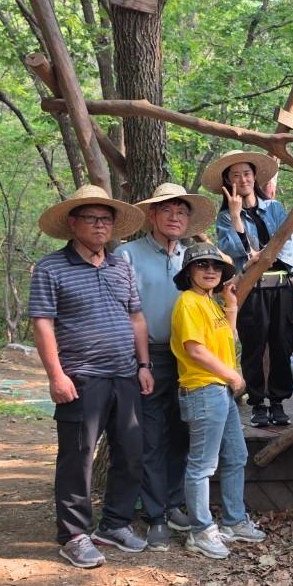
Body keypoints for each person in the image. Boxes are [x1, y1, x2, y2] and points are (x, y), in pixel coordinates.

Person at [28, 185, 152, 568]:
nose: (100, 225)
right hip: (81, 377)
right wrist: (56, 375)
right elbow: (42, 323)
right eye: (92, 218)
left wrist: (144, 365)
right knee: (78, 457)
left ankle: (114, 523)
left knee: (131, 453)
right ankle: (74, 535)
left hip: (125, 375)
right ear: (73, 223)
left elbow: (136, 318)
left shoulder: (120, 267)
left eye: (106, 219)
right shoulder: (51, 268)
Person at [113, 182, 216, 551]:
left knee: (183, 434)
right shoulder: (127, 255)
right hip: (150, 356)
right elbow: (122, 311)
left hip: (191, 359)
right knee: (152, 437)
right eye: (167, 210)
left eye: (182, 212)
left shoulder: (195, 259)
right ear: (152, 215)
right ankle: (155, 515)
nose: (175, 217)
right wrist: (139, 361)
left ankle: (173, 504)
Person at [170, 243, 267, 559]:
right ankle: (200, 531)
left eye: (216, 266)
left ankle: (233, 521)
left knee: (236, 455)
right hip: (203, 390)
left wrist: (231, 305)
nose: (210, 271)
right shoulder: (188, 302)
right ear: (189, 272)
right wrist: (232, 376)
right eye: (202, 265)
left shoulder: (210, 303)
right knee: (202, 465)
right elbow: (195, 349)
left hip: (219, 390)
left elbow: (230, 338)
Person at [207, 150, 293, 430]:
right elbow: (233, 250)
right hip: (250, 289)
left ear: (255, 177)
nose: (243, 179)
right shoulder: (225, 217)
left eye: (246, 174)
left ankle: (278, 401)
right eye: (235, 175)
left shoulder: (274, 208)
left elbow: (287, 243)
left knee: (282, 344)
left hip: (280, 286)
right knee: (253, 346)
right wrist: (237, 217)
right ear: (228, 181)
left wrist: (261, 256)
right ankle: (257, 401)